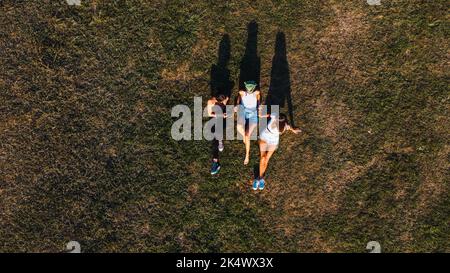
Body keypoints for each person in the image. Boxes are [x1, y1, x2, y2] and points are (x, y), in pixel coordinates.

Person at [254, 113, 301, 190]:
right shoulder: (275, 116)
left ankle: (259, 178)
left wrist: (293, 130)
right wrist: (261, 115)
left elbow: (288, 127)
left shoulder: (284, 126)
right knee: (263, 158)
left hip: (274, 141)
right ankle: (260, 178)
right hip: (265, 137)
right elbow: (269, 115)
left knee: (266, 159)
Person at [235, 81, 261, 165]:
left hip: (253, 113)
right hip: (243, 110)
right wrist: (237, 105)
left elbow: (258, 100)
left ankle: (247, 155)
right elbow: (238, 98)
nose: (250, 91)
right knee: (239, 127)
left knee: (247, 135)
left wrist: (259, 107)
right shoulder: (242, 92)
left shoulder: (257, 93)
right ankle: (245, 138)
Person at [206, 94, 229, 175]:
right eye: (221, 101)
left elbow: (224, 107)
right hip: (213, 118)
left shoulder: (225, 99)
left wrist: (225, 114)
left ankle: (219, 142)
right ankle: (215, 162)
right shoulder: (211, 102)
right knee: (214, 137)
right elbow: (209, 114)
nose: (223, 102)